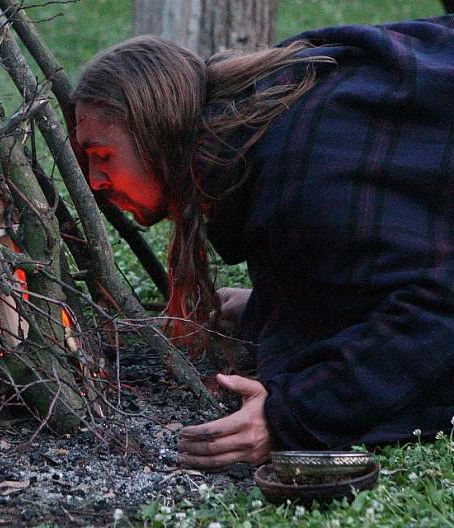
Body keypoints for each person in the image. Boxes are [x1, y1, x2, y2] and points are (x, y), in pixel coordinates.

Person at [71, 15, 454, 470]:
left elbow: (439, 311)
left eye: (102, 156)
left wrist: (288, 416)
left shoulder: (303, 175)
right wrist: (270, 306)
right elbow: (379, 255)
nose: (95, 182)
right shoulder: (270, 114)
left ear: (156, 133)